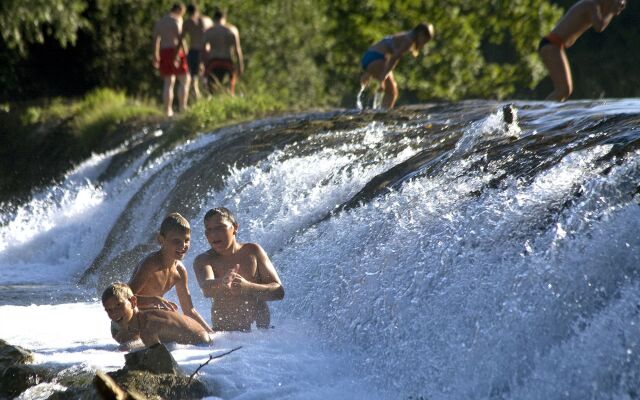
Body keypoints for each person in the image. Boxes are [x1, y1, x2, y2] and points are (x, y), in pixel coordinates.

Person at [121, 212, 212, 342]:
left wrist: (211, 334)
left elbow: (189, 310)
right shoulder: (151, 264)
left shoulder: (180, 271)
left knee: (199, 336)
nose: (183, 246)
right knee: (175, 323)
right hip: (125, 324)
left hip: (150, 323)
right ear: (161, 240)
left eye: (186, 240)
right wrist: (154, 300)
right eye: (176, 241)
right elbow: (124, 300)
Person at [193, 207, 284, 331]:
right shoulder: (204, 260)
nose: (214, 235)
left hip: (263, 338)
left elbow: (279, 292)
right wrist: (222, 282)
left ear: (235, 228)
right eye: (209, 230)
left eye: (220, 228)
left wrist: (248, 287)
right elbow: (206, 288)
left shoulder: (253, 251)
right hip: (227, 338)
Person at [539, 0, 626, 101]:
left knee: (565, 91)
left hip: (555, 45)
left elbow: (602, 20)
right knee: (563, 90)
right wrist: (611, 11)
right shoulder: (591, 5)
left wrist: (612, 9)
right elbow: (599, 26)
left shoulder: (594, 6)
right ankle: (538, 115)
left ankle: (545, 114)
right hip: (552, 44)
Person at [102, 282, 211, 347]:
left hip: (201, 346)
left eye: (119, 305)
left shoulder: (148, 327)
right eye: (109, 310)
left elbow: (160, 361)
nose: (114, 313)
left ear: (133, 302)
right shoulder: (144, 318)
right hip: (203, 341)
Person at [360, 23, 434, 109]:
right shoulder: (409, 41)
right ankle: (382, 116)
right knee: (392, 92)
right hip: (376, 58)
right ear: (421, 34)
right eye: (425, 41)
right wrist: (384, 75)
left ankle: (379, 111)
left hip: (368, 57)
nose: (424, 44)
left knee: (388, 89)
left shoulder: (405, 35)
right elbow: (394, 57)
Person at [152, 3, 191, 116]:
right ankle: (182, 107)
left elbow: (156, 40)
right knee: (184, 79)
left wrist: (155, 55)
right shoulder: (177, 20)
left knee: (168, 81)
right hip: (176, 51)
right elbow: (180, 38)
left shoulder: (160, 22)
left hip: (163, 51)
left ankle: (167, 110)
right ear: (179, 10)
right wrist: (185, 52)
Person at [200, 8, 244, 95]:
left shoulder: (208, 31)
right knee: (230, 88)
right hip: (227, 61)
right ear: (225, 17)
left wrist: (204, 64)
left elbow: (203, 50)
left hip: (213, 61)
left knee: (211, 89)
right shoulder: (232, 30)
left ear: (214, 18)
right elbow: (237, 50)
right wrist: (240, 65)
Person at [182, 3, 213, 101]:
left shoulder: (187, 22)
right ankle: (207, 96)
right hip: (205, 51)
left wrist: (182, 52)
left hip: (193, 51)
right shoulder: (206, 20)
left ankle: (198, 98)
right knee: (204, 74)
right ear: (198, 10)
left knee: (193, 77)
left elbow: (181, 39)